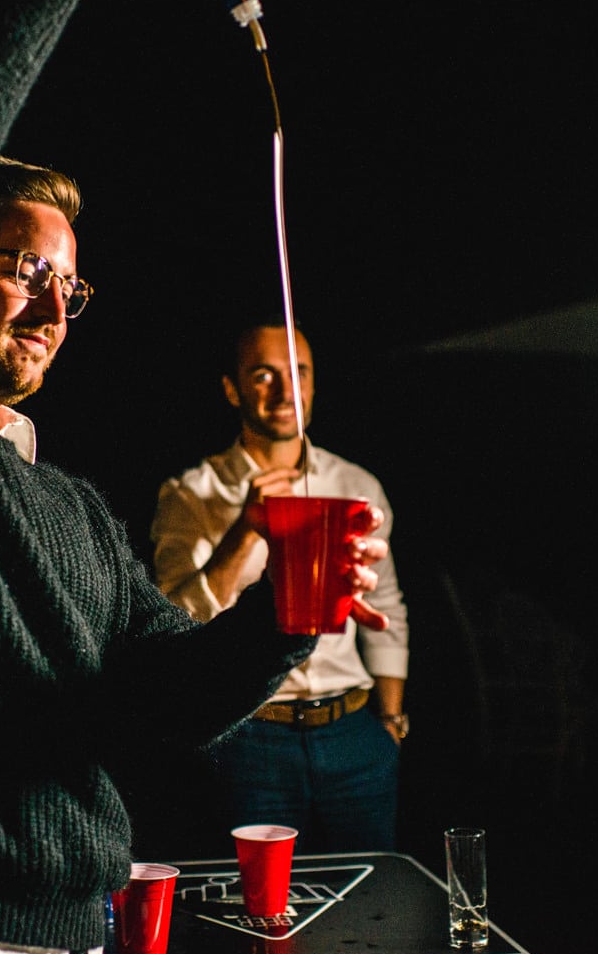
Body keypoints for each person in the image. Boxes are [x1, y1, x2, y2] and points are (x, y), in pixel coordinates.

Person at [0, 4, 394, 954]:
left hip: (66, 952)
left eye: (70, 288)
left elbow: (161, 699)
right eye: (26, 269)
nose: (53, 307)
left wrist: (285, 615)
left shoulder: (73, 508)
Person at [149, 322, 411, 853]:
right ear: (232, 389)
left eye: (299, 373)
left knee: (370, 894)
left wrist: (388, 719)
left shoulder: (355, 485)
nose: (286, 391)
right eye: (264, 375)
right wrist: (244, 530)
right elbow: (173, 625)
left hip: (354, 734)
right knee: (261, 908)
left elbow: (387, 606)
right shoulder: (190, 494)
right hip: (252, 738)